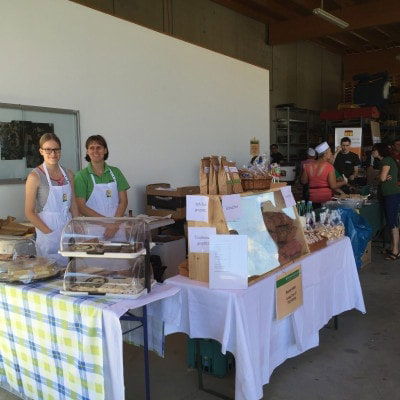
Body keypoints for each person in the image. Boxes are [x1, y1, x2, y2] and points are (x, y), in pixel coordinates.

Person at [25, 133, 79, 265]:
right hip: (47, 232)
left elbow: (73, 205)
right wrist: (49, 234)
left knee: (70, 269)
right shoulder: (35, 176)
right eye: (48, 149)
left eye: (56, 149)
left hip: (67, 229)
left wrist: (78, 227)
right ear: (41, 151)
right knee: (50, 270)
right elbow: (29, 212)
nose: (53, 153)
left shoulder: (69, 174)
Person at [74, 135, 130, 239]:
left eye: (99, 147)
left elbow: (124, 201)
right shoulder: (81, 176)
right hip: (94, 230)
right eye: (91, 148)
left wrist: (114, 224)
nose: (95, 151)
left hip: (117, 229)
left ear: (105, 150)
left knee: (118, 253)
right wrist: (107, 224)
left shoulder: (115, 172)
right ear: (87, 152)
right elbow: (81, 207)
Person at [372, 143, 400, 260]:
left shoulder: (386, 161)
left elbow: (382, 178)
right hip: (391, 194)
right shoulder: (388, 160)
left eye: (374, 150)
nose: (373, 152)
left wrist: (379, 176)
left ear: (379, 151)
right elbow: (383, 177)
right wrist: (381, 176)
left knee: (392, 222)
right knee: (391, 221)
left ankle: (396, 251)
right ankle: (393, 248)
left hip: (391, 195)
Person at [301, 141, 347, 208]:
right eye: (330, 152)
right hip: (325, 199)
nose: (331, 153)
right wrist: (344, 182)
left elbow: (303, 181)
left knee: (313, 216)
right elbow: (333, 186)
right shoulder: (329, 166)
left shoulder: (308, 166)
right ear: (325, 154)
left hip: (312, 198)